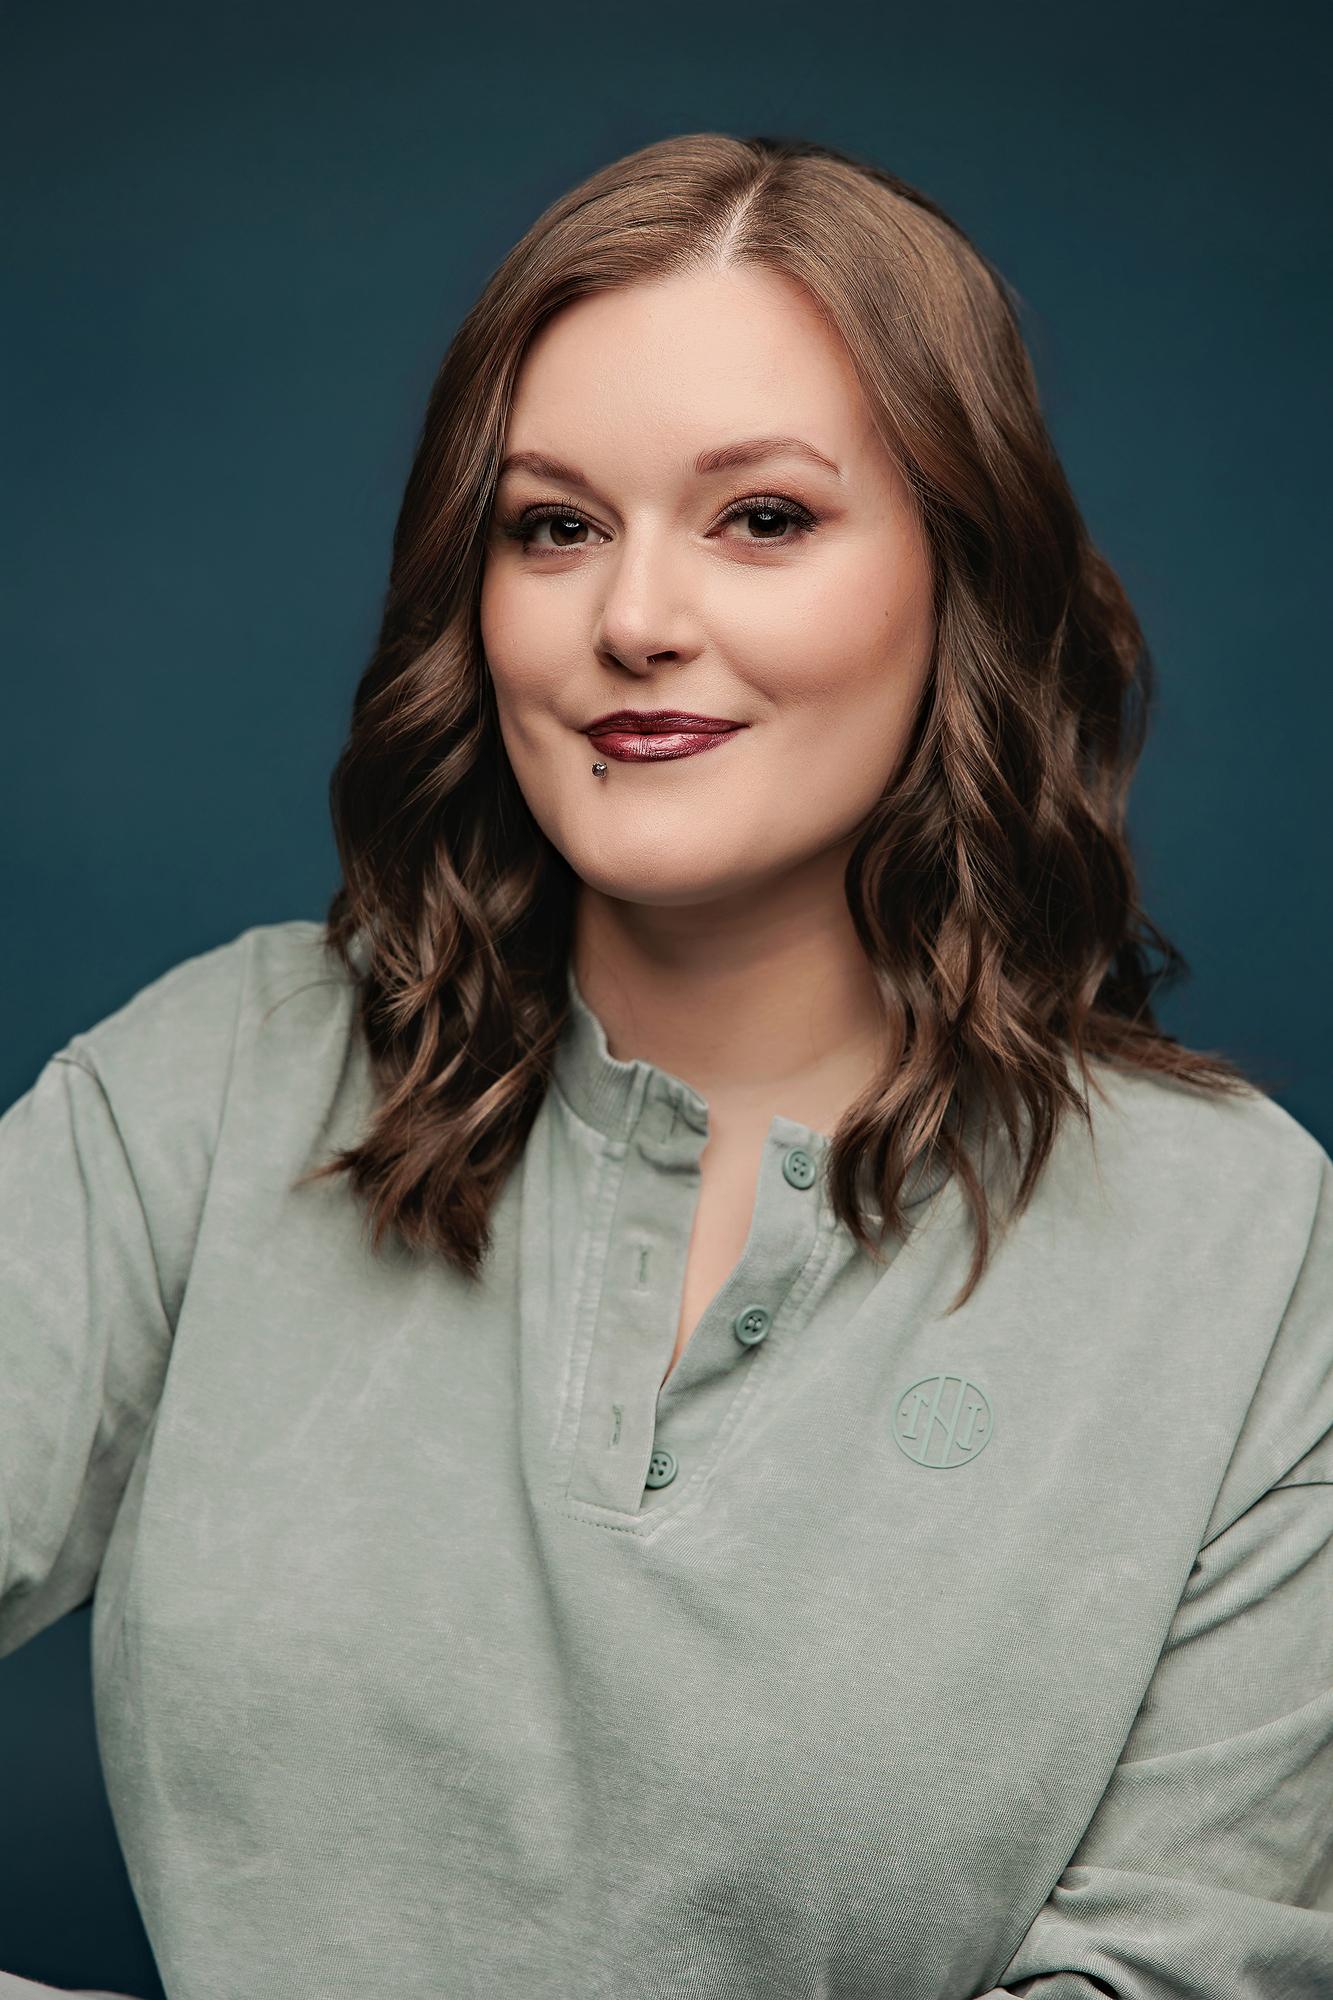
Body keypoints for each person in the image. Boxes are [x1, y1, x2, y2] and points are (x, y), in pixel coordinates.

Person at [1, 130, 1329, 2000]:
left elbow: (1191, 1968)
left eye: (761, 518)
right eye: (552, 524)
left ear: (962, 575)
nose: (632, 618)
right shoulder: (219, 1084)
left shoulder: (1245, 1247)